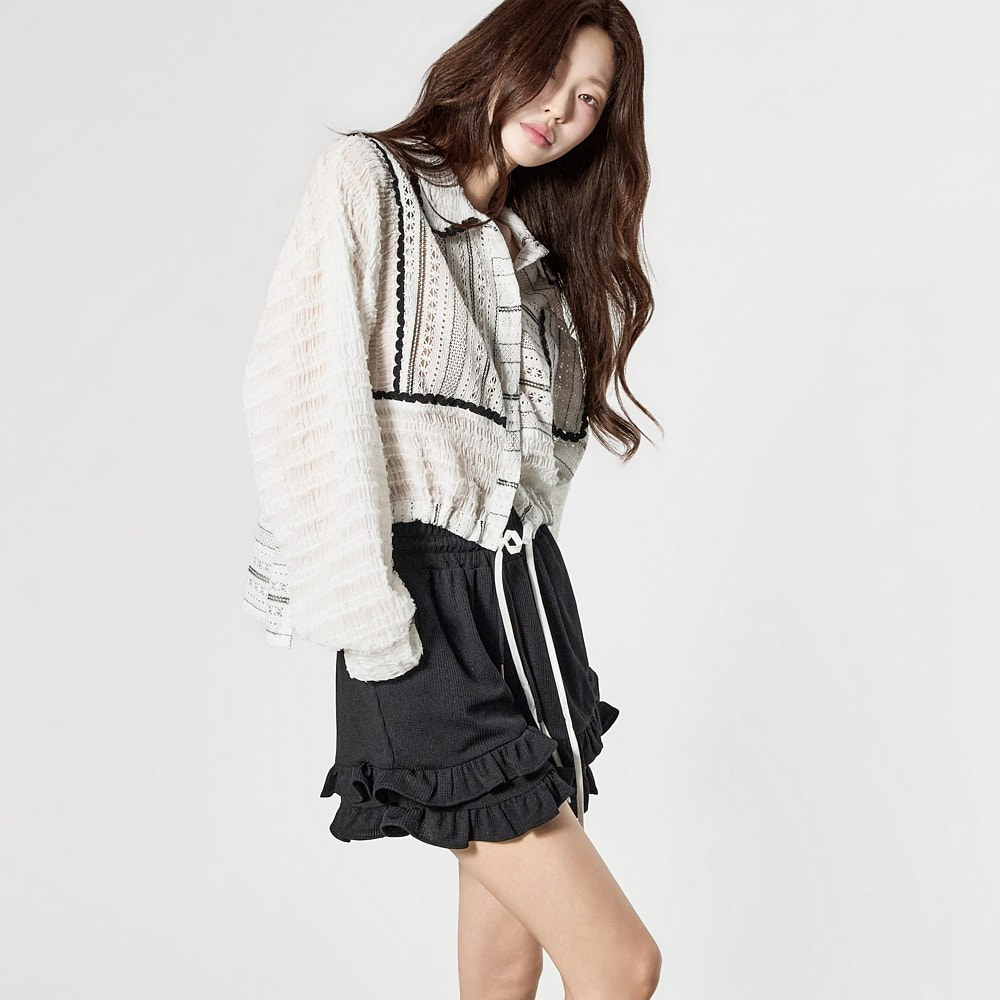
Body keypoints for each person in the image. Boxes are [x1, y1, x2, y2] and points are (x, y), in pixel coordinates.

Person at [241, 1, 662, 996]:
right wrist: (371, 622)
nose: (559, 111)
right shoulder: (368, 182)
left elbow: (534, 476)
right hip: (418, 607)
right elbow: (301, 397)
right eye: (551, 75)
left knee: (506, 963)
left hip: (525, 606)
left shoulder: (533, 264)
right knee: (621, 963)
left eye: (589, 100)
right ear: (503, 53)